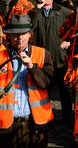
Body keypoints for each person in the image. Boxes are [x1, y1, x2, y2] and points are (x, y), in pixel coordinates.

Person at [0, 14, 54, 148]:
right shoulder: (1, 56)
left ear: (30, 34)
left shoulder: (42, 54)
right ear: (8, 36)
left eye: (23, 33)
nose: (19, 38)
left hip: (35, 122)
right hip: (7, 123)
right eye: (15, 34)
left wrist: (31, 67)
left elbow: (47, 84)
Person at [29, 0, 74, 122]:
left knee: (64, 91)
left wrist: (70, 41)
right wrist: (37, 10)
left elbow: (76, 26)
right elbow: (31, 27)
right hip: (42, 58)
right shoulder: (34, 12)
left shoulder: (64, 11)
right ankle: (43, 118)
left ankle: (67, 118)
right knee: (42, 90)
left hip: (60, 58)